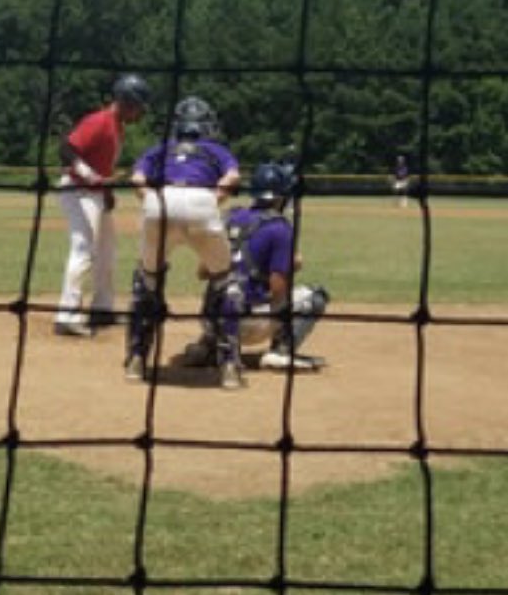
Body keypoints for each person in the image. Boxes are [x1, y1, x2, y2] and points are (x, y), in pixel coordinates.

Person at [124, 95, 241, 387]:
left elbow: (137, 177)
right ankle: (228, 367)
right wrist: (212, 200)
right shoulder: (215, 149)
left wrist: (150, 201)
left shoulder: (160, 148)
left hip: (160, 201)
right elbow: (232, 176)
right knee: (226, 283)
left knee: (146, 282)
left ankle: (137, 360)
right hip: (202, 199)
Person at [178, 161, 329, 384]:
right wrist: (287, 267)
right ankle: (280, 352)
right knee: (316, 296)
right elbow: (278, 290)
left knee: (229, 290)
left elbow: (202, 272)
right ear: (280, 196)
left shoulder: (229, 217)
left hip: (211, 317)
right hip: (248, 325)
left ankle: (211, 343)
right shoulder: (279, 227)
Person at [54, 73, 151, 337]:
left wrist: (105, 191)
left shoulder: (117, 126)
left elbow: (102, 164)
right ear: (126, 101)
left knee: (107, 251)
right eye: (139, 106)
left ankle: (101, 308)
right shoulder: (100, 121)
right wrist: (92, 177)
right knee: (83, 248)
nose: (141, 113)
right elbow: (66, 149)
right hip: (77, 190)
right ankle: (67, 315)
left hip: (95, 193)